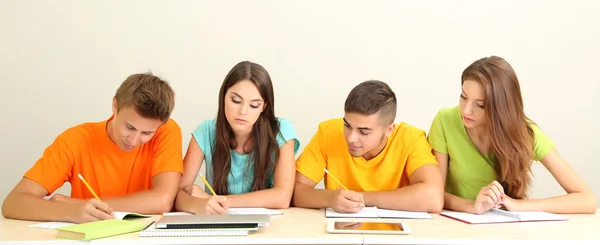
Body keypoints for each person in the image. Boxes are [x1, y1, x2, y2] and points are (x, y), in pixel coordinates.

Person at [1, 73, 183, 223]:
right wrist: (71, 212)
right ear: (115, 106)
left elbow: (163, 200)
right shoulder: (75, 140)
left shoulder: (166, 132)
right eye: (129, 127)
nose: (134, 140)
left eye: (146, 133)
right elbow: (13, 203)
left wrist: (84, 205)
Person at [427, 56, 597, 214]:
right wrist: (471, 206)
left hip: (507, 229)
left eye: (480, 105)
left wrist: (519, 205)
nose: (466, 110)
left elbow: (587, 200)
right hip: (454, 226)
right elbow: (434, 194)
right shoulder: (445, 121)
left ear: (501, 108)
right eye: (463, 97)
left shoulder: (525, 133)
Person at [292, 80, 444, 213]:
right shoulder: (328, 132)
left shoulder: (411, 139)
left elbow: (434, 198)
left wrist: (361, 198)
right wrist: (330, 198)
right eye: (347, 125)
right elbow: (294, 191)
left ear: (389, 129)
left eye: (363, 132)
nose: (351, 138)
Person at [175, 61, 299, 215]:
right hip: (217, 223)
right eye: (236, 101)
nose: (243, 111)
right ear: (223, 97)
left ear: (264, 107)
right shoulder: (205, 131)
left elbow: (282, 197)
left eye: (254, 105)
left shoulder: (282, 130)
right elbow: (176, 194)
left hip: (268, 228)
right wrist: (198, 205)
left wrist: (216, 199)